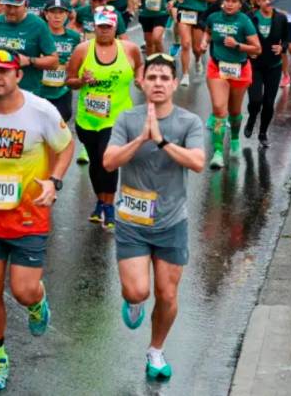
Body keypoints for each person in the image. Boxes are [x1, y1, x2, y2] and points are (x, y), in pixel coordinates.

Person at [0, 48, 74, 392]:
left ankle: (38, 303)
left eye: (3, 71)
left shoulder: (41, 111)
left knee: (22, 291)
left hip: (28, 215)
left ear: (18, 75)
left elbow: (65, 147)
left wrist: (54, 181)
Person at [102, 53, 204, 380]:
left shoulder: (189, 122)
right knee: (137, 292)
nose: (158, 83)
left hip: (172, 222)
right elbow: (108, 162)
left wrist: (160, 140)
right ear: (142, 83)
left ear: (174, 84)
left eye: (164, 78)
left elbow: (198, 162)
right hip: (132, 222)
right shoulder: (127, 119)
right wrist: (141, 138)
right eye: (152, 77)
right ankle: (132, 301)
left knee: (168, 294)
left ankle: (156, 350)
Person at [67, 7, 143, 228]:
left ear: (115, 27)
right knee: (95, 161)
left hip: (117, 116)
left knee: (107, 159)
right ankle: (100, 201)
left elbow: (140, 66)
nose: (104, 31)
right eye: (100, 26)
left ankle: (109, 207)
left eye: (108, 27)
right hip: (88, 117)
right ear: (94, 27)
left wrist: (139, 79)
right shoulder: (82, 50)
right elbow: (69, 79)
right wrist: (82, 81)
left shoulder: (129, 49)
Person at [203, 0, 261, 169]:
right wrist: (205, 40)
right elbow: (207, 30)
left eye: (234, 1)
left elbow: (257, 49)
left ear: (239, 4)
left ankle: (235, 139)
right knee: (220, 110)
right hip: (217, 67)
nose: (229, 4)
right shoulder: (214, 17)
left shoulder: (245, 21)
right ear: (222, 2)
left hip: (240, 69)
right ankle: (218, 151)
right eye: (226, 0)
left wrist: (237, 45)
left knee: (235, 112)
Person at [0, 0, 59, 96]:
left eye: (16, 6)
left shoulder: (38, 25)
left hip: (27, 91)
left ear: (26, 4)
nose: (11, 11)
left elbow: (54, 63)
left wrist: (30, 60)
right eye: (8, 5)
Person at [244, 0, 289, 147]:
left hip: (273, 67)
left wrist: (282, 48)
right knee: (255, 100)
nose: (267, 2)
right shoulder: (250, 18)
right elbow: (242, 37)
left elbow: (286, 40)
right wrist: (249, 52)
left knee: (269, 103)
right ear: (258, 1)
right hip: (255, 66)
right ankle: (251, 118)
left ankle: (263, 133)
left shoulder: (281, 18)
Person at [172, 0, 211, 86]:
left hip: (200, 13)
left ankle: (198, 59)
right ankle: (185, 75)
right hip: (185, 12)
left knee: (197, 48)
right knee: (185, 44)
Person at [42, 0, 81, 122]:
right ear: (46, 14)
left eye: (61, 12)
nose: (57, 16)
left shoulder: (74, 37)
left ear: (67, 15)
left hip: (62, 90)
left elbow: (79, 61)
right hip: (40, 90)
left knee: (62, 120)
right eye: (53, 12)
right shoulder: (38, 35)